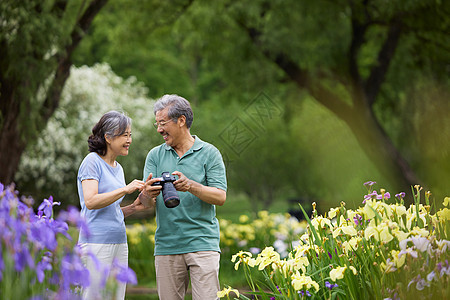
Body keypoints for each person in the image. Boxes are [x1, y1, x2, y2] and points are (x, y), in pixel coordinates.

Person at [140, 94, 227, 300]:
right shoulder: (155, 155)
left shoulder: (209, 153)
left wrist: (191, 186)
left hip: (202, 244)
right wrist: (147, 194)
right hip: (167, 245)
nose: (159, 129)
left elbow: (220, 196)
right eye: (157, 124)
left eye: (163, 123)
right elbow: (145, 203)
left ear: (181, 120)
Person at [77, 110, 157, 300]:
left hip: (119, 242)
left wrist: (134, 208)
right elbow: (91, 201)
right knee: (94, 296)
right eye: (125, 135)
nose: (129, 140)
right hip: (96, 243)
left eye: (130, 135)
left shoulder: (118, 168)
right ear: (108, 137)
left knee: (116, 297)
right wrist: (125, 190)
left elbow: (109, 211)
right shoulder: (92, 162)